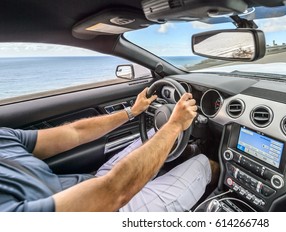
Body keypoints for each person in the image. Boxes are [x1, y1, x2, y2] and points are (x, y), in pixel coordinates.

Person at [0, 88, 216, 212]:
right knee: (205, 165)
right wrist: (175, 124)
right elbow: (113, 193)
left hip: (92, 184)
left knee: (155, 135)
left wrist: (131, 112)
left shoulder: (3, 137)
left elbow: (76, 132)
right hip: (109, 209)